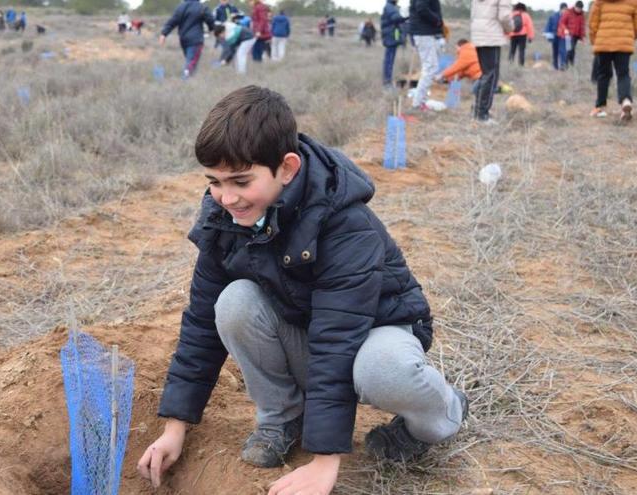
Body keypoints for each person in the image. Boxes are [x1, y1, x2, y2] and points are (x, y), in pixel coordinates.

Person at [136, 85, 468, 494]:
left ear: (288, 168)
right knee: (233, 303)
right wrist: (175, 428)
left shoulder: (345, 224)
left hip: (379, 331)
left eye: (240, 180)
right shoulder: (223, 218)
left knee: (381, 370)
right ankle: (283, 418)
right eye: (215, 182)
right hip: (307, 325)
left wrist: (325, 460)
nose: (227, 197)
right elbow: (201, 324)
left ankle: (443, 415)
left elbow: (338, 336)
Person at [588, 0, 637, 120]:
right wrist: (629, 37)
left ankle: (600, 107)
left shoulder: (599, 1)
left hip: (603, 42)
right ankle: (626, 100)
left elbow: (593, 23)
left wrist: (595, 41)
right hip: (623, 43)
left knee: (603, 74)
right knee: (623, 74)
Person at [471, 0, 514, 123]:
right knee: (491, 75)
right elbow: (504, 16)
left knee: (486, 74)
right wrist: (511, 27)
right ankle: (482, 115)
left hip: (479, 35)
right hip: (491, 35)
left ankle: (477, 112)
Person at [160, 0, 216, 79]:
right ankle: (184, 80)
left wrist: (164, 34)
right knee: (191, 62)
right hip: (196, 40)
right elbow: (211, 20)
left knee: (191, 61)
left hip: (184, 40)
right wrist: (212, 29)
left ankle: (191, 82)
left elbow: (172, 21)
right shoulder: (202, 7)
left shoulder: (180, 7)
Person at [409, 0, 445, 111]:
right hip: (423, 33)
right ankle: (418, 104)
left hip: (424, 32)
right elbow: (422, 8)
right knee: (430, 68)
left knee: (430, 67)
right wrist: (437, 20)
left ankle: (420, 102)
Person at [381, 0, 407, 87]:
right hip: (390, 36)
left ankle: (388, 80)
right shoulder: (389, 7)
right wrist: (406, 15)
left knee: (390, 59)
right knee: (389, 60)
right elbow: (395, 18)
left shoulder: (392, 6)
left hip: (392, 36)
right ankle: (387, 82)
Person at [558, 1, 587, 66]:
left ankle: (571, 63)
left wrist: (582, 37)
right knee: (569, 49)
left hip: (576, 36)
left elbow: (582, 26)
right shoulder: (568, 12)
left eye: (580, 9)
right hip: (568, 35)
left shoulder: (582, 15)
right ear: (575, 6)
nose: (579, 10)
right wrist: (565, 29)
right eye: (578, 8)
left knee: (572, 49)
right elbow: (562, 22)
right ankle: (565, 64)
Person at [544, 3, 569, 69]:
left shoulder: (568, 17)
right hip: (555, 36)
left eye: (566, 10)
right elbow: (548, 26)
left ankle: (563, 65)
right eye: (565, 9)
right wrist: (547, 35)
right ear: (561, 9)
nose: (566, 11)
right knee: (555, 51)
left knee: (562, 51)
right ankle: (555, 66)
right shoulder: (553, 16)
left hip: (563, 36)